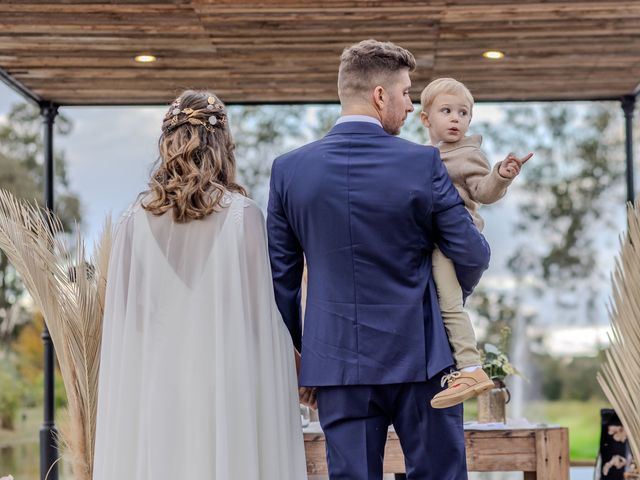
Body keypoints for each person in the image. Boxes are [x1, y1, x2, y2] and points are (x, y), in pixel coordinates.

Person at [267, 40, 490, 480]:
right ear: (380, 95)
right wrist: (445, 297)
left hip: (335, 362)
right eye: (407, 93)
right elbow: (470, 251)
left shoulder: (288, 170)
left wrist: (304, 353)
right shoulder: (423, 163)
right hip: (423, 356)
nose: (411, 106)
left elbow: (281, 278)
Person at [93, 90, 307, 480]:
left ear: (167, 144)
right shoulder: (244, 217)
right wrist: (303, 370)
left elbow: (128, 325)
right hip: (226, 390)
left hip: (158, 390)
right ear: (222, 145)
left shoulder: (130, 222)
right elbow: (264, 322)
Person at [419, 78, 532, 409]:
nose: (456, 118)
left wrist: (502, 175)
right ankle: (451, 366)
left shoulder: (468, 153)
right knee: (436, 303)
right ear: (426, 119)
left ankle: (470, 366)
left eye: (463, 113)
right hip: (426, 239)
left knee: (449, 303)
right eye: (447, 111)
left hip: (449, 241)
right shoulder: (421, 155)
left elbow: (483, 190)